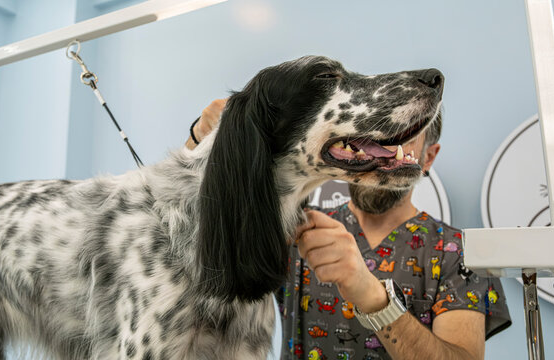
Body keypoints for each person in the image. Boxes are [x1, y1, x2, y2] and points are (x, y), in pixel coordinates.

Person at [188, 99, 511, 360]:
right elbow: (198, 234)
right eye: (370, 137)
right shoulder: (297, 228)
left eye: (403, 138)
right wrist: (200, 143)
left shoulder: (458, 252)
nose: (380, 150)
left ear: (428, 157)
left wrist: (373, 297)